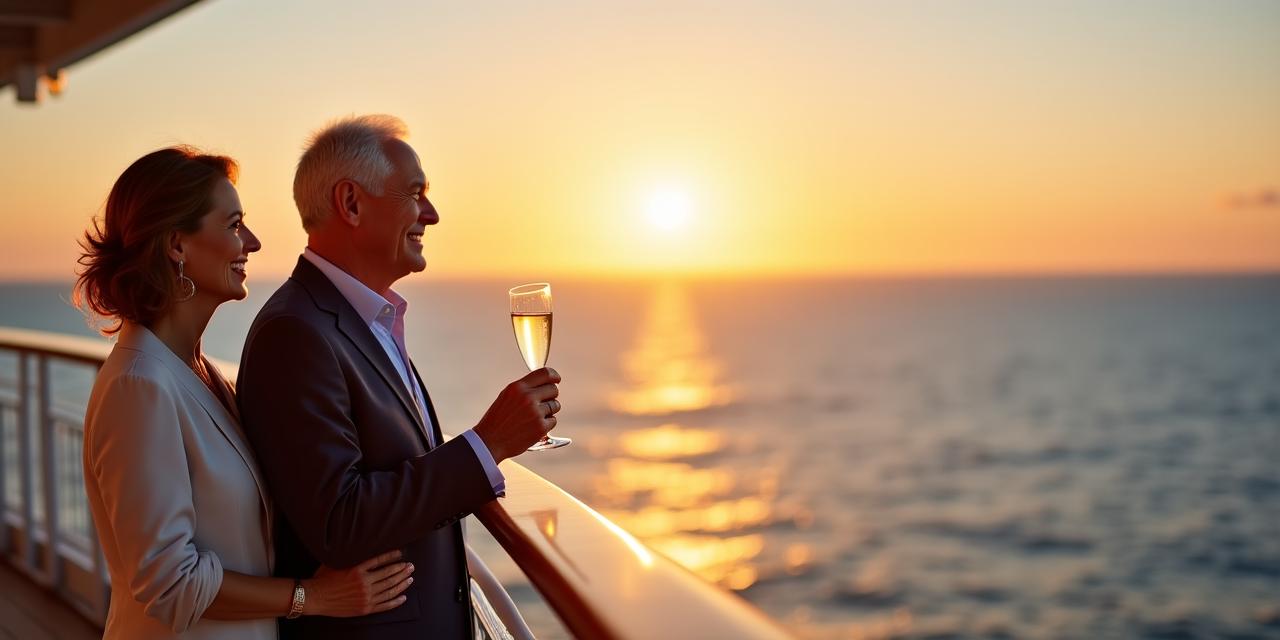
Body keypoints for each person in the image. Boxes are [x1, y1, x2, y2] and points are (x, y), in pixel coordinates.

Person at [236, 115, 561, 640]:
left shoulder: (367, 319)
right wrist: (489, 444)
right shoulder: (294, 332)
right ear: (351, 203)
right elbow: (340, 523)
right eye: (415, 193)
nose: (431, 214)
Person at [75, 146, 416, 640]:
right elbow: (169, 583)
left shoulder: (203, 375)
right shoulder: (139, 387)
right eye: (234, 225)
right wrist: (312, 597)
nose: (252, 242)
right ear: (177, 245)